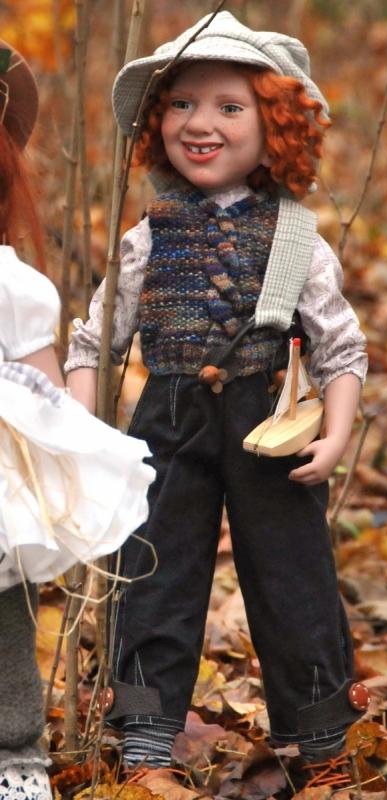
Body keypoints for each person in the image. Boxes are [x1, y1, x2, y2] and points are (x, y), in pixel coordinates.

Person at [65, 11, 369, 771]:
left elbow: (340, 344)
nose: (200, 124)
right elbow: (95, 341)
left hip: (268, 423)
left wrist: (335, 433)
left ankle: (317, 727)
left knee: (292, 572)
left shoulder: (295, 237)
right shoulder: (147, 236)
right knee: (154, 565)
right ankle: (145, 722)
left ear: (276, 129)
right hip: (167, 418)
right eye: (181, 104)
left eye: (230, 108)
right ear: (155, 123)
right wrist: (81, 431)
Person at [0, 41, 155, 799]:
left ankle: (13, 754)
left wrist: (75, 465)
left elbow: (45, 394)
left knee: (4, 620)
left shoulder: (10, 284)